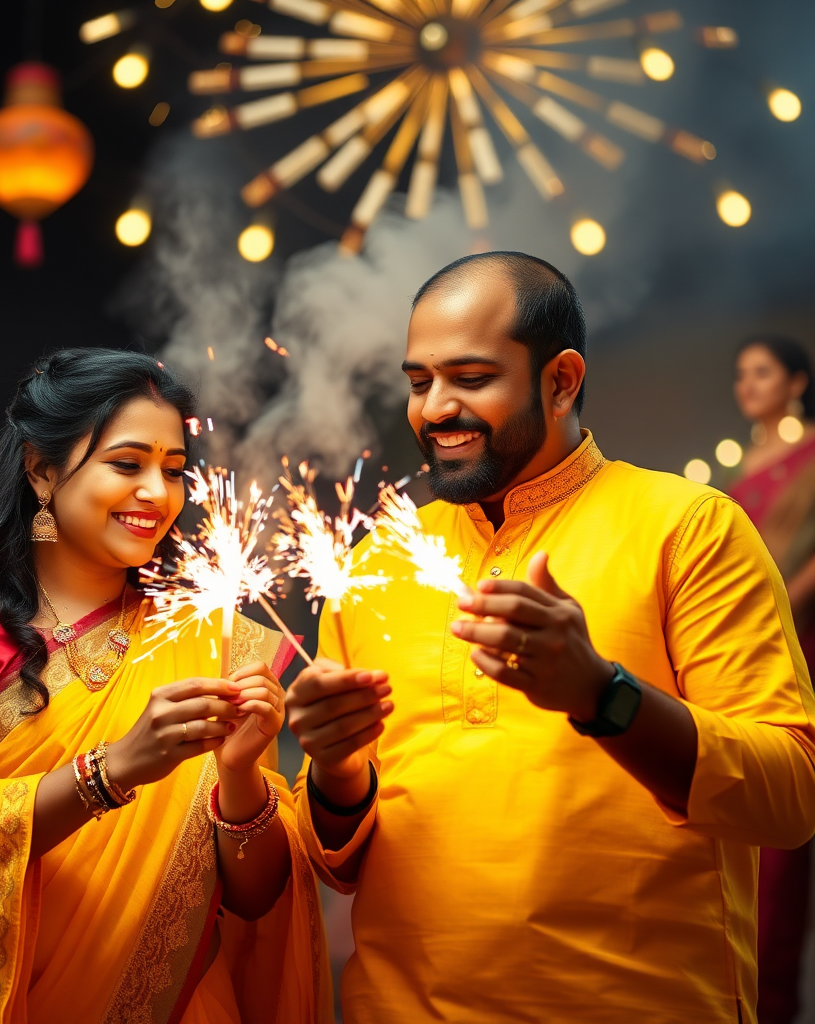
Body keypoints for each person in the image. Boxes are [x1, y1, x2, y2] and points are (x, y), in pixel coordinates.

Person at [285, 252, 815, 1024]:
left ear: (561, 380)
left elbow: (790, 799)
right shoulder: (379, 557)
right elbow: (336, 859)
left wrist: (603, 697)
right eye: (418, 381)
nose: (433, 409)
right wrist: (332, 768)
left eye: (469, 379)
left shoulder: (686, 526)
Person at [0, 350, 332, 1024]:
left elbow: (257, 900)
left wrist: (241, 773)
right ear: (41, 470)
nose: (158, 495)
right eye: (127, 464)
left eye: (173, 470)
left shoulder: (215, 639)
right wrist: (116, 769)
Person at [729, 336, 815, 1024]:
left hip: (798, 642)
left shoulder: (812, 458)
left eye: (761, 372)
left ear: (797, 382)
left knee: (782, 823)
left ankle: (775, 999)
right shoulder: (745, 464)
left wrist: (781, 605)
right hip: (736, 646)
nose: (746, 385)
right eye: (740, 375)